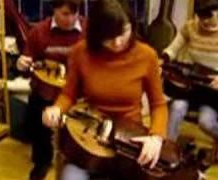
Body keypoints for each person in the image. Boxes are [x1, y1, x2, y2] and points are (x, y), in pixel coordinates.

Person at [42, 0, 168, 179]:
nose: (117, 43)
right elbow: (68, 94)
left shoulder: (147, 55)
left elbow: (158, 104)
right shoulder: (80, 52)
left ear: (132, 25)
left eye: (123, 32)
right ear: (96, 33)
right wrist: (56, 109)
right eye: (109, 36)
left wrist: (156, 137)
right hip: (88, 135)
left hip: (128, 140)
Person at [16, 0, 86, 179]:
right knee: (39, 128)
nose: (70, 19)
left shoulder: (89, 30)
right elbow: (27, 64)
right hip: (45, 94)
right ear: (53, 9)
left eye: (74, 13)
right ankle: (41, 163)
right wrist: (21, 63)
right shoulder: (39, 31)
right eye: (64, 13)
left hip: (77, 97)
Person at [164, 0, 218, 142]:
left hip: (212, 91)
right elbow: (173, 48)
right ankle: (168, 150)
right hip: (191, 85)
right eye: (201, 17)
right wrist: (164, 58)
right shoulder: (190, 27)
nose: (205, 22)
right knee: (176, 107)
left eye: (210, 17)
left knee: (206, 122)